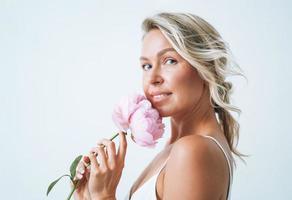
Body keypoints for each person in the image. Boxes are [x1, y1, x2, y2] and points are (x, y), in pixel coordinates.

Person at [73, 12, 245, 200]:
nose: (153, 78)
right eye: (146, 66)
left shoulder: (192, 150)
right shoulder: (177, 148)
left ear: (205, 67)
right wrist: (87, 196)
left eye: (169, 61)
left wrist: (104, 196)